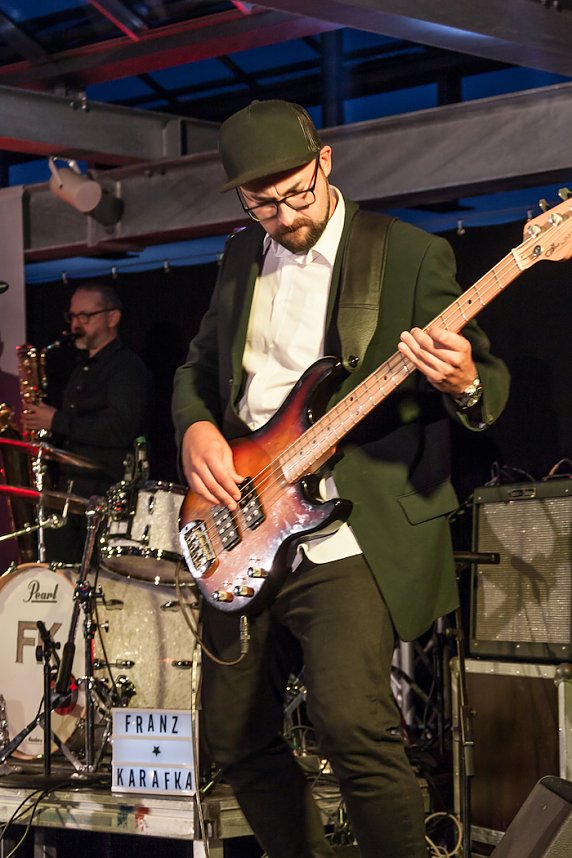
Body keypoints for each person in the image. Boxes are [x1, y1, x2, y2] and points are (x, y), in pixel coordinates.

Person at [171, 100, 510, 858]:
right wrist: (196, 429)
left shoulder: (407, 253)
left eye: (297, 193)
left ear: (325, 162)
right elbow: (197, 370)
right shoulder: (237, 257)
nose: (286, 216)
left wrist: (461, 381)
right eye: (263, 204)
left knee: (352, 726)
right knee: (233, 738)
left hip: (345, 527)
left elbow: (483, 373)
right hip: (244, 520)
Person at [23, 281, 151, 561]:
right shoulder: (81, 368)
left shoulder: (126, 367)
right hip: (71, 493)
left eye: (85, 316)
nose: (76, 324)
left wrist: (56, 419)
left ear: (112, 317)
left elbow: (119, 429)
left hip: (103, 495)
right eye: (72, 316)